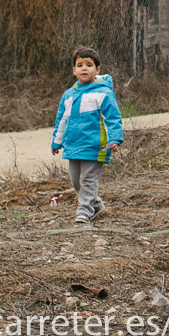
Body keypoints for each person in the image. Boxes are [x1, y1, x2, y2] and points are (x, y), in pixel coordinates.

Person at [50, 46, 123, 224]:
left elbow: (112, 119)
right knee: (77, 182)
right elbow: (61, 120)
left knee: (88, 181)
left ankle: (84, 212)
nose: (84, 68)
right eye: (80, 65)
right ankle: (96, 204)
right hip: (73, 146)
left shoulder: (103, 93)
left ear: (97, 70)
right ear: (74, 70)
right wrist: (56, 141)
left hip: (95, 147)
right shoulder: (69, 95)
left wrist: (114, 139)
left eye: (89, 65)